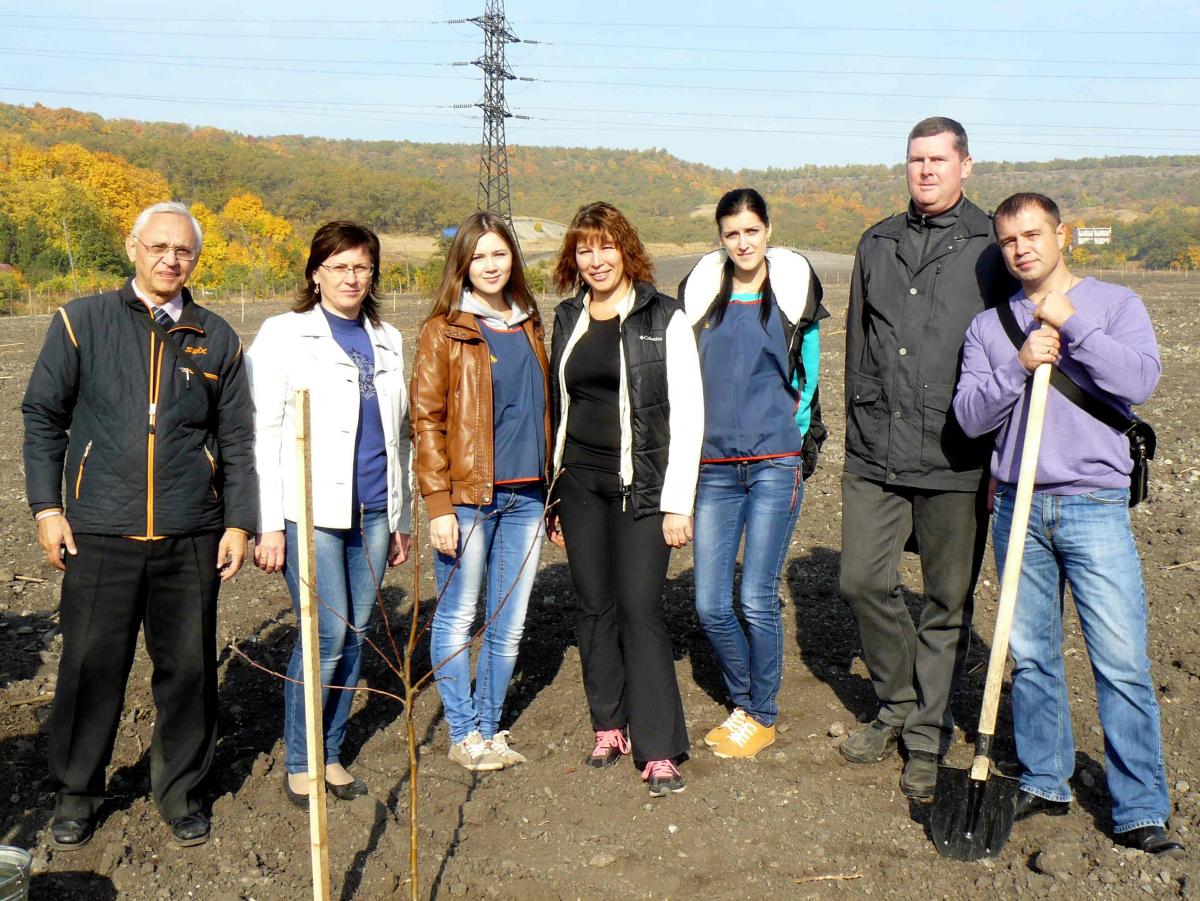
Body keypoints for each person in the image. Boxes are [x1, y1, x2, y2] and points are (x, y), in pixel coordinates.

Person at [953, 192, 1183, 857]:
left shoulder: (1116, 305)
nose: (1022, 247)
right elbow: (970, 416)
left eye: (1033, 233)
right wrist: (1019, 365)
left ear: (1062, 234)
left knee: (1120, 660)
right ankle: (1047, 778)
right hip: (1017, 506)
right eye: (1008, 240)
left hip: (1094, 505)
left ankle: (1140, 805)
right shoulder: (990, 326)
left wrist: (1072, 326)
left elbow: (1138, 380)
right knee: (1031, 657)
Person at [22, 201, 257, 849]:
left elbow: (236, 436)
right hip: (99, 530)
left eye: (182, 251)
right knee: (92, 665)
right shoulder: (82, 321)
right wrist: (47, 507)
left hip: (190, 533)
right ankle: (76, 790)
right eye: (159, 246)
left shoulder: (216, 336)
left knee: (187, 670)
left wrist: (238, 520)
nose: (169, 259)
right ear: (133, 247)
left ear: (195, 260)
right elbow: (43, 415)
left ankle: (180, 790)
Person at [838, 116, 1017, 799]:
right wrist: (856, 424)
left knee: (946, 602)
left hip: (957, 454)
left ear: (966, 165)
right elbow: (858, 342)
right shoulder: (876, 241)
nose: (926, 170)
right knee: (860, 581)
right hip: (876, 450)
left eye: (940, 159)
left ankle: (922, 735)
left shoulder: (989, 247)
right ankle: (898, 700)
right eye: (916, 159)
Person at [247, 221, 411, 807]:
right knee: (326, 634)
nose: (352, 277)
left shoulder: (387, 337)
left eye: (362, 267)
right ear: (315, 273)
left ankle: (332, 752)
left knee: (357, 634)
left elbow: (401, 437)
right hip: (311, 510)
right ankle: (301, 759)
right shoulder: (284, 335)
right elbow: (260, 434)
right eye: (339, 266)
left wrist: (399, 518)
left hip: (370, 511)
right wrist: (267, 523)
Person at [547, 201, 702, 797]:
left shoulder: (665, 317)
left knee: (639, 609)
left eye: (605, 246)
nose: (595, 259)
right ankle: (608, 724)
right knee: (593, 607)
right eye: (584, 249)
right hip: (580, 483)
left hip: (644, 487)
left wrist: (678, 501)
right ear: (574, 259)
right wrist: (555, 492)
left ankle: (659, 747)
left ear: (626, 249)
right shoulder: (568, 318)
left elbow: (689, 413)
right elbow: (557, 408)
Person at [677, 188, 827, 759]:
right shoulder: (700, 301)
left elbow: (809, 379)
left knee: (756, 595)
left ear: (768, 230)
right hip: (713, 467)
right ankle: (747, 700)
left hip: (772, 462)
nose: (743, 242)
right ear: (720, 238)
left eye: (752, 231)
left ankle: (760, 712)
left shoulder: (791, 297)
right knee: (711, 604)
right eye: (731, 233)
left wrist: (795, 442)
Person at [412, 212, 550, 772]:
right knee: (457, 615)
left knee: (508, 620)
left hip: (528, 497)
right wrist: (438, 505)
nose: (491, 265)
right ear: (463, 265)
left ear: (512, 258)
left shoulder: (529, 323)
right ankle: (463, 731)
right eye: (479, 257)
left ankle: (490, 729)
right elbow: (426, 419)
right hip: (469, 498)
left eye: (500, 254)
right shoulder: (444, 329)